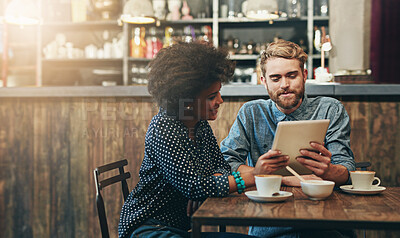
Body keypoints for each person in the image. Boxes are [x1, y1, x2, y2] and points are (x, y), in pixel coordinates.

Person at [118, 42, 258, 238]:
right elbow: (194, 187)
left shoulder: (199, 125)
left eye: (219, 92)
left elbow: (220, 168)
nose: (220, 101)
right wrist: (248, 178)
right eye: (211, 96)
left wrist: (207, 187)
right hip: (148, 229)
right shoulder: (164, 129)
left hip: (178, 229)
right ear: (186, 99)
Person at [220, 39, 356, 238]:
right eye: (275, 78)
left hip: (325, 223)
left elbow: (347, 169)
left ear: (305, 76)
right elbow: (226, 162)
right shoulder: (251, 112)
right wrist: (288, 179)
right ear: (263, 81)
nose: (284, 85)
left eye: (291, 76)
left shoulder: (330, 108)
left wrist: (330, 171)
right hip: (269, 224)